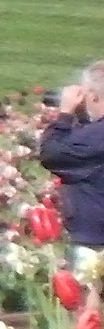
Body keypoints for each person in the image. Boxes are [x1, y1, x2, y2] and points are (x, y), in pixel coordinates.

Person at [38, 62, 104, 246]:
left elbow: (51, 153)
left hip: (96, 239)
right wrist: (83, 117)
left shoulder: (97, 135)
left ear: (94, 96)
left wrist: (65, 114)